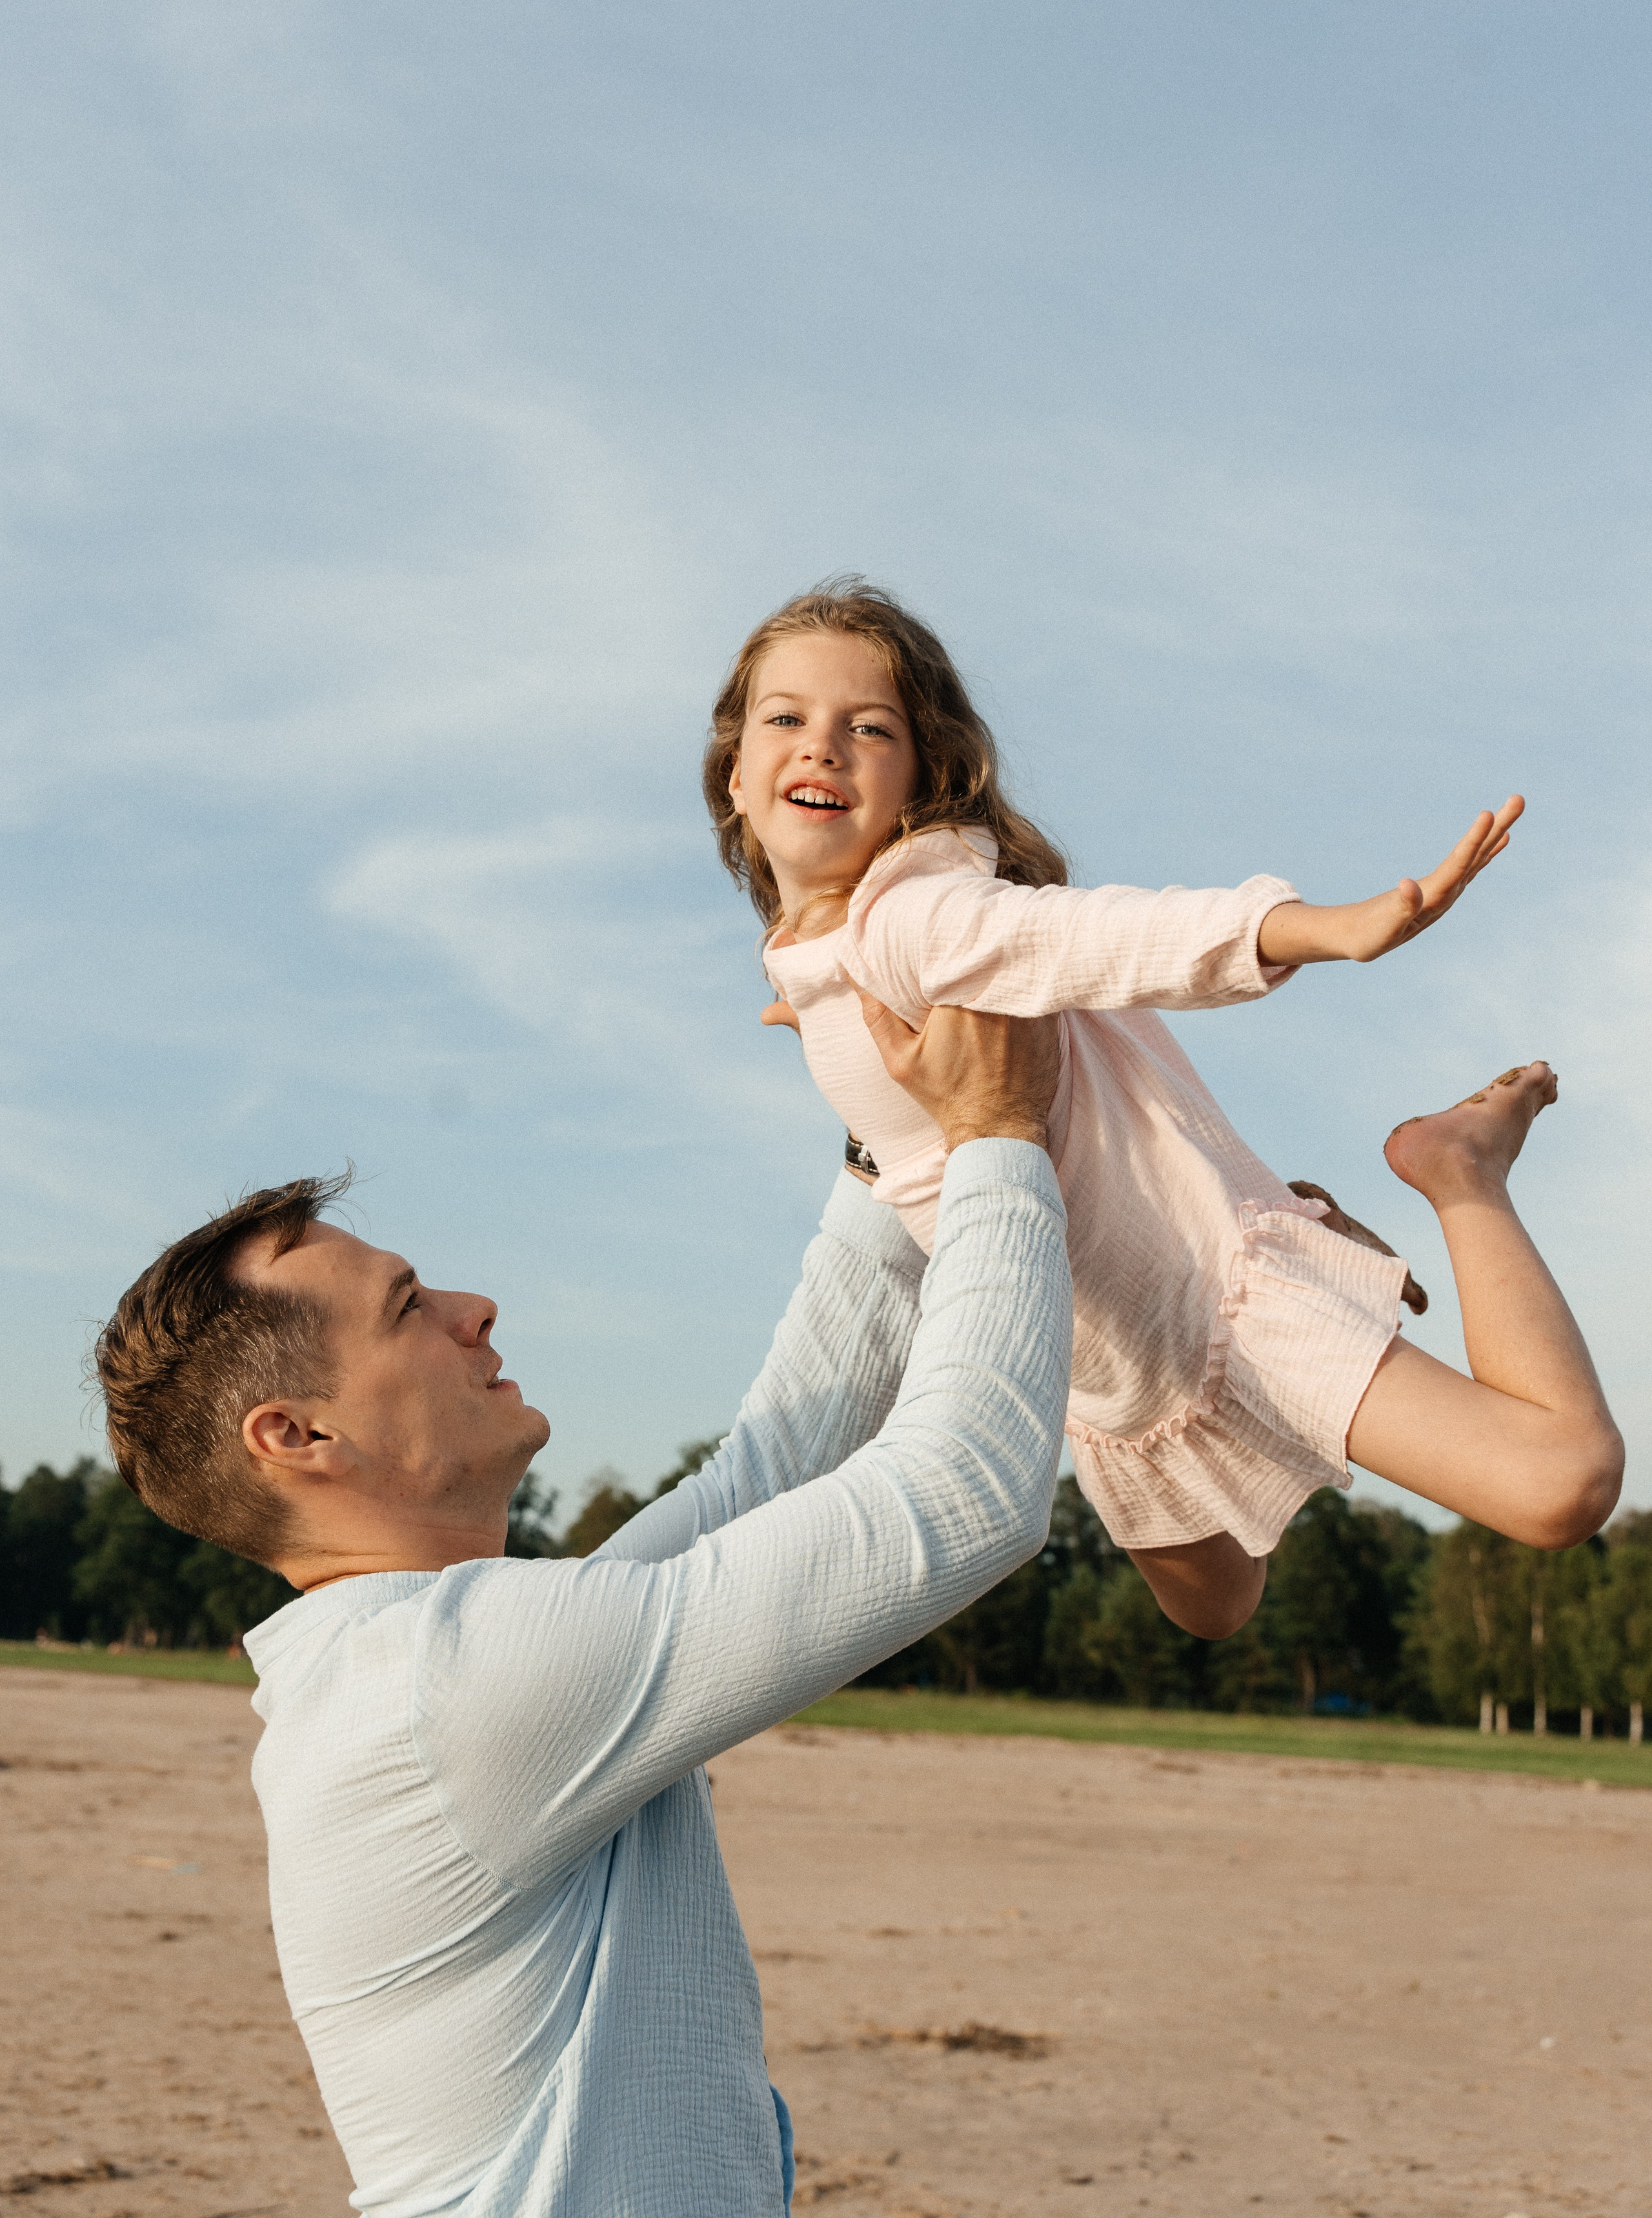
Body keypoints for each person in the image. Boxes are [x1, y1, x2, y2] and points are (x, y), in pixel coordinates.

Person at [91, 998, 1070, 2218]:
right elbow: (969, 1494)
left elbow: (770, 1474)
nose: (474, 1308)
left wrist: (887, 1136)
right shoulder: (445, 1686)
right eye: (407, 1306)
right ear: (298, 1435)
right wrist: (998, 1134)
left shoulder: (412, 1663)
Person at [704, 579, 1623, 1641]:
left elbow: (1104, 935)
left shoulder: (914, 919)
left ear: (923, 779)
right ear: (737, 776)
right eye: (786, 718)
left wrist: (1321, 929)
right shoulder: (814, 957)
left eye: (869, 728)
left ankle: (1461, 1173)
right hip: (1108, 1365)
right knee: (1216, 1607)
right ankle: (1296, 1233)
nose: (822, 746)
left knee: (1561, 1485)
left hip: (1201, 1296)